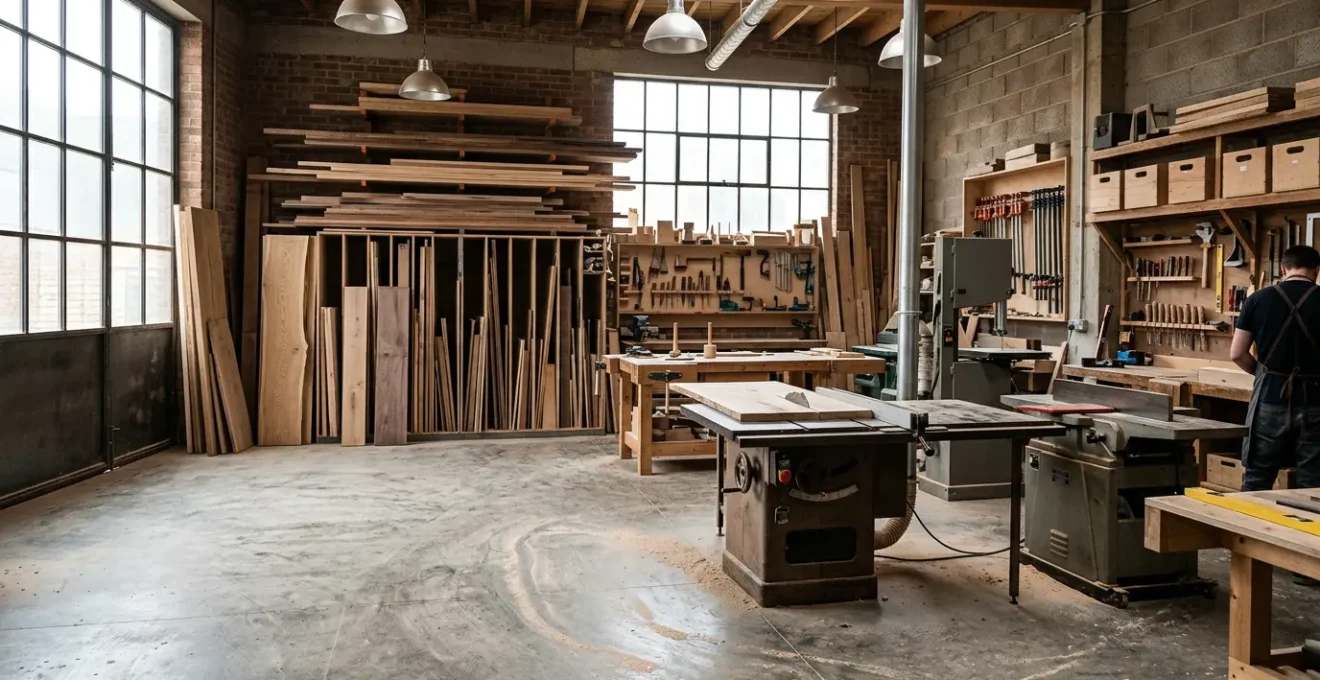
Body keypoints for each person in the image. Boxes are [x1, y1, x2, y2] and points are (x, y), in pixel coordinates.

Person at [1230, 244, 1320, 495]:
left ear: (1283, 268)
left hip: (1269, 396)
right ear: (1316, 271)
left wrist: (1264, 373)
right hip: (1315, 399)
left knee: (1258, 478)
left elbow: (1237, 354)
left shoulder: (1257, 299)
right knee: (1313, 483)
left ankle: (1250, 533)